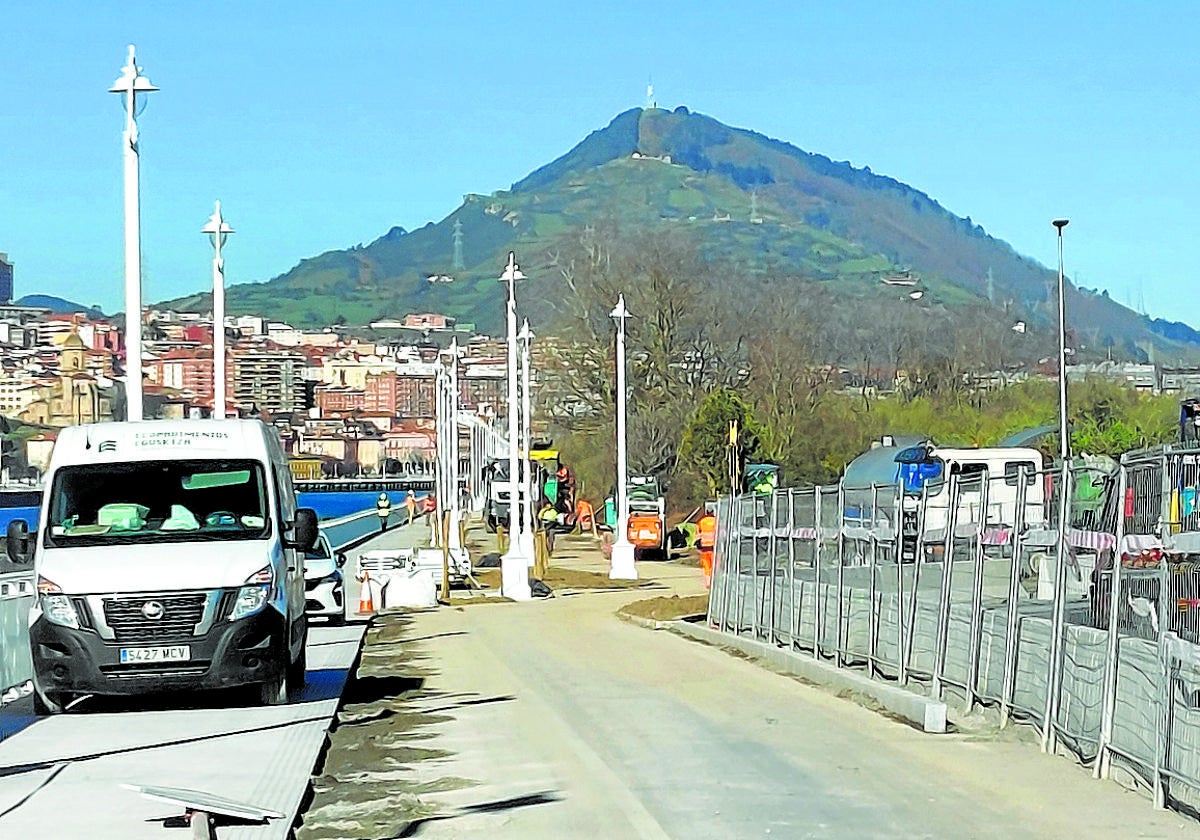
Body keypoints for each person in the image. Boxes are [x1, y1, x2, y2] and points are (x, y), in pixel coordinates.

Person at [697, 508, 717, 589]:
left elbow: (698, 534)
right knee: (714, 565)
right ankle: (714, 581)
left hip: (704, 548)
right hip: (714, 547)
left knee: (706, 566)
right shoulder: (715, 520)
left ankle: (708, 583)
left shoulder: (701, 521)